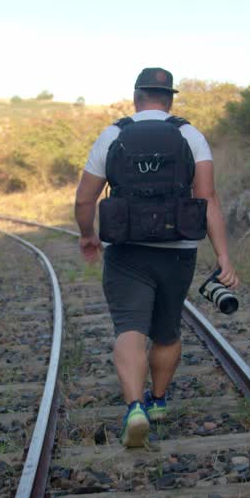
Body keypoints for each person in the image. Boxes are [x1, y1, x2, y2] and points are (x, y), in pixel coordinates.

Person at [74, 67, 239, 448]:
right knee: (167, 330)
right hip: (178, 250)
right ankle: (160, 401)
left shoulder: (113, 134)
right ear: (170, 99)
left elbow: (85, 198)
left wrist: (87, 234)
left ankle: (135, 408)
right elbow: (207, 198)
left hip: (127, 250)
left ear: (136, 96)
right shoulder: (190, 135)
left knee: (130, 328)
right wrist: (224, 256)